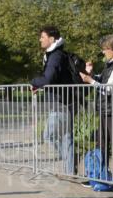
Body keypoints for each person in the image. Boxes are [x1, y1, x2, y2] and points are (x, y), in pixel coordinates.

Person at [80, 35, 113, 188]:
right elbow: (101, 81)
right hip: (105, 109)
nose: (103, 52)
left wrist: (91, 81)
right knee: (101, 144)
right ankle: (100, 177)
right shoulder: (110, 64)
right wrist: (89, 74)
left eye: (105, 49)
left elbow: (109, 89)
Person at [31, 26, 78, 175]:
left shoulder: (56, 56)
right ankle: (70, 168)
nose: (40, 39)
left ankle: (70, 162)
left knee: (50, 135)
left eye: (42, 37)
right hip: (63, 101)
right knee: (65, 136)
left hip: (62, 103)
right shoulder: (55, 54)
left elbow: (48, 79)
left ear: (51, 39)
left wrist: (33, 82)